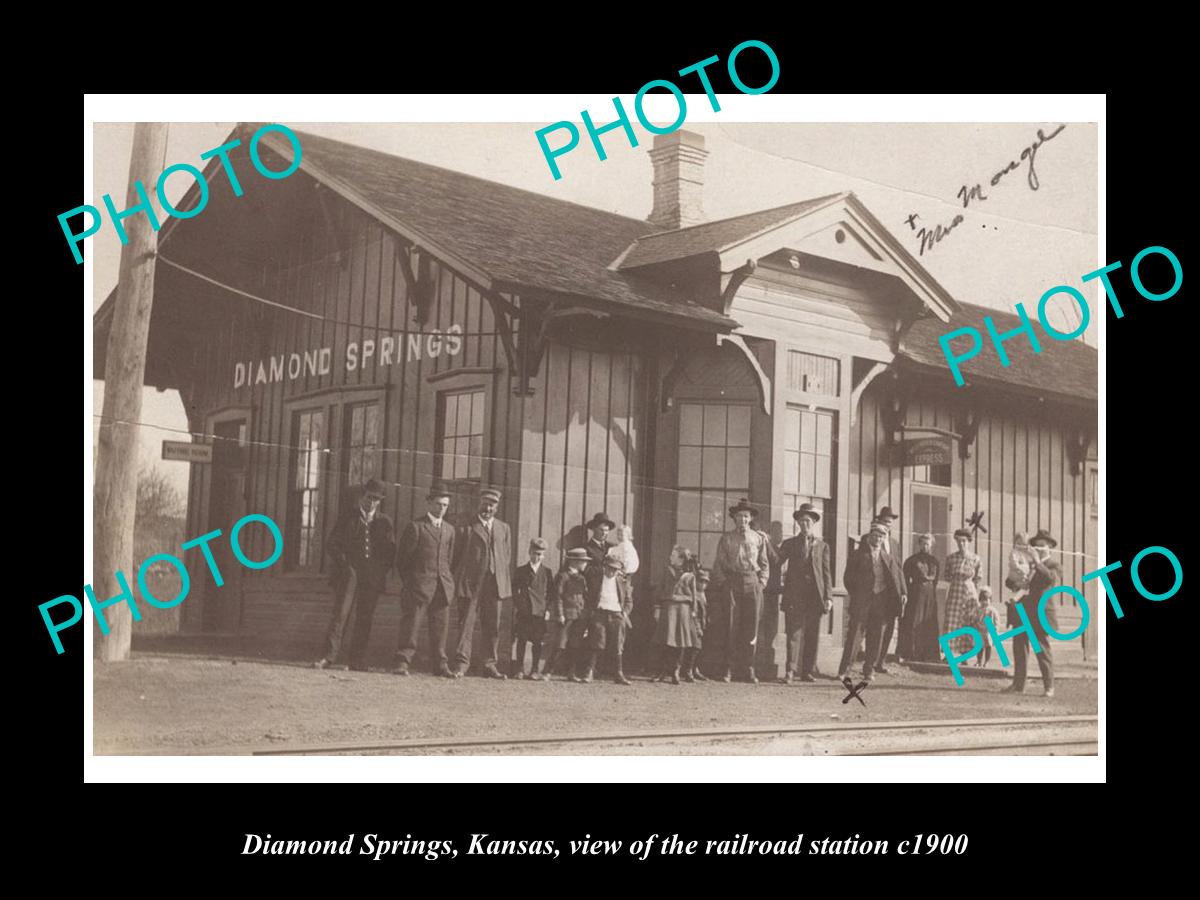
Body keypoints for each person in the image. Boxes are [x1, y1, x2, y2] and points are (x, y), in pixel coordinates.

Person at [314, 478, 395, 671]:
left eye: (376, 499)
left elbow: (390, 552)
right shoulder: (347, 517)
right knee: (340, 615)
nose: (371, 502)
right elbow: (332, 544)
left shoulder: (385, 522)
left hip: (371, 577)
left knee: (365, 617)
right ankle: (328, 657)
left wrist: (378, 571)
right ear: (362, 496)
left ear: (380, 501)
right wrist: (345, 564)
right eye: (369, 497)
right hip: (349, 575)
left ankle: (357, 660)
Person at [394, 484, 458, 678]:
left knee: (440, 629)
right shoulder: (416, 527)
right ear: (429, 503)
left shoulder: (449, 530)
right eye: (438, 504)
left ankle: (440, 665)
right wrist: (413, 582)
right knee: (411, 625)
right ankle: (402, 662)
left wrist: (446, 581)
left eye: (445, 505)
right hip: (418, 587)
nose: (441, 509)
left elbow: (450, 560)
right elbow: (402, 561)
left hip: (442, 587)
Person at [452, 487, 513, 679]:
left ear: (497, 506)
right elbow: (456, 556)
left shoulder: (504, 528)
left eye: (492, 504)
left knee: (492, 626)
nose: (488, 508)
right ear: (479, 503)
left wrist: (498, 575)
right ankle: (462, 664)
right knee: (466, 625)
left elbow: (507, 556)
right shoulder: (466, 526)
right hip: (471, 584)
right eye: (485, 503)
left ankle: (489, 664)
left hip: (495, 585)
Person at [711, 498, 771, 683]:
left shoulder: (758, 538)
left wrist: (761, 582)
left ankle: (749, 668)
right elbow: (719, 564)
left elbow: (764, 563)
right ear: (734, 518)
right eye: (739, 516)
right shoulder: (727, 538)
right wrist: (723, 583)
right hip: (732, 582)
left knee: (751, 627)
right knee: (731, 625)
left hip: (752, 583)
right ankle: (728, 668)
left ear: (750, 518)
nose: (742, 520)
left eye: (746, 516)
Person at [839, 520, 905, 682]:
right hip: (861, 601)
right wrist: (859, 594)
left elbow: (896, 578)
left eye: (881, 536)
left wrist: (902, 593)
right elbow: (848, 579)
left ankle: (869, 670)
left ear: (884, 539)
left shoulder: (888, 558)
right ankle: (844, 670)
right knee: (855, 636)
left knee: (876, 636)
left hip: (880, 602)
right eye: (874, 536)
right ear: (869, 537)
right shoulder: (857, 555)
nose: (877, 539)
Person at [778, 503, 833, 683]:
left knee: (812, 634)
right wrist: (765, 542)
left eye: (808, 521)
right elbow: (776, 561)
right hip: (795, 595)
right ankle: (790, 671)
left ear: (814, 523)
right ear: (798, 523)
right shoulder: (790, 544)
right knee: (794, 633)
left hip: (815, 597)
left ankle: (807, 671)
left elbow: (826, 573)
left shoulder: (823, 546)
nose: (805, 524)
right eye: (801, 521)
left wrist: (829, 597)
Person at [1002, 529, 1059, 698]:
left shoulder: (1053, 565)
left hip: (1040, 615)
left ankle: (1049, 687)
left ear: (1050, 548)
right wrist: (1014, 581)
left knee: (1042, 650)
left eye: (1042, 546)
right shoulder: (1028, 563)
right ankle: (1018, 685)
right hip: (1023, 612)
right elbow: (1010, 581)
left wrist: (1036, 562)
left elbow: (1050, 579)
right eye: (1036, 546)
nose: (1039, 549)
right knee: (1019, 648)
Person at [579, 555, 633, 685]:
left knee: (617, 644)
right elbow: (587, 593)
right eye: (609, 568)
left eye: (615, 569)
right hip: (600, 613)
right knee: (597, 642)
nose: (611, 572)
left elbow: (629, 600)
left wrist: (624, 613)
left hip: (616, 615)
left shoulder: (623, 582)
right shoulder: (596, 578)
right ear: (604, 566)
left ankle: (618, 674)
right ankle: (589, 672)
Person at [653, 546, 698, 685]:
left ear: (681, 559)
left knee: (681, 642)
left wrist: (693, 611)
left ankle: (675, 672)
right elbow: (659, 590)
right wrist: (657, 607)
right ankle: (662, 671)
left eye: (673, 555)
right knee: (666, 641)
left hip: (683, 611)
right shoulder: (667, 571)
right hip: (668, 609)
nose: (670, 557)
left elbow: (694, 596)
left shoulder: (690, 575)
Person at [511, 537, 555, 680]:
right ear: (530, 552)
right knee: (522, 640)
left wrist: (547, 609)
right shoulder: (521, 570)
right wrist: (519, 605)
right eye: (535, 553)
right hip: (525, 611)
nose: (538, 557)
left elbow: (551, 593)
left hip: (539, 612)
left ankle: (535, 669)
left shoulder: (547, 572)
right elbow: (514, 589)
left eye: (540, 554)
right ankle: (519, 669)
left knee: (537, 641)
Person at [545, 548, 589, 680]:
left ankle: (571, 672)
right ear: (575, 562)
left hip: (579, 616)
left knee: (575, 645)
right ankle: (547, 672)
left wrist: (584, 615)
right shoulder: (563, 576)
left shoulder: (582, 578)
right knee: (560, 644)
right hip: (566, 616)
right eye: (583, 561)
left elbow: (584, 597)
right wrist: (560, 614)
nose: (585, 564)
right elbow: (557, 596)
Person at [871, 506, 906, 672]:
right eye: (885, 522)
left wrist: (903, 591)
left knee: (889, 626)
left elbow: (899, 569)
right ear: (879, 521)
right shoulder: (872, 539)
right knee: (877, 628)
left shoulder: (894, 544)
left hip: (892, 593)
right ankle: (871, 662)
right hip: (877, 591)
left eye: (890, 523)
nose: (888, 526)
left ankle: (880, 662)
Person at [900, 533, 941, 663]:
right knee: (914, 621)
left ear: (931, 545)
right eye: (923, 543)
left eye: (927, 544)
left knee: (929, 622)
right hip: (916, 593)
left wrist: (931, 591)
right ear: (919, 544)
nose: (925, 546)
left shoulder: (935, 561)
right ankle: (911, 653)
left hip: (930, 594)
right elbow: (905, 579)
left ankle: (929, 655)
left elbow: (936, 580)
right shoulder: (912, 560)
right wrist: (906, 593)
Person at [943, 527, 983, 662]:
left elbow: (978, 578)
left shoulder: (975, 558)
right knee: (952, 621)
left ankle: (964, 655)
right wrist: (957, 581)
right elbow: (947, 576)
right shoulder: (951, 558)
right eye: (959, 541)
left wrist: (974, 593)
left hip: (969, 593)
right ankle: (949, 654)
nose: (962, 544)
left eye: (964, 541)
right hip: (955, 591)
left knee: (967, 622)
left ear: (969, 542)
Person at [684, 569, 711, 682]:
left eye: (705, 582)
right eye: (701, 581)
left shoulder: (704, 594)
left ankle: (695, 669)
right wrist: (698, 627)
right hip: (694, 624)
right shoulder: (694, 594)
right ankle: (688, 671)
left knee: (699, 648)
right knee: (695, 647)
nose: (703, 584)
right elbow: (693, 613)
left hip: (702, 623)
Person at [974, 586, 999, 667]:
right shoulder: (978, 610)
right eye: (982, 600)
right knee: (979, 647)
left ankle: (986, 661)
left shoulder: (992, 610)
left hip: (988, 631)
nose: (984, 602)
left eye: (986, 600)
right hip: (980, 631)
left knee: (988, 646)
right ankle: (979, 661)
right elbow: (975, 618)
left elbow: (996, 620)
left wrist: (995, 629)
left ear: (990, 600)